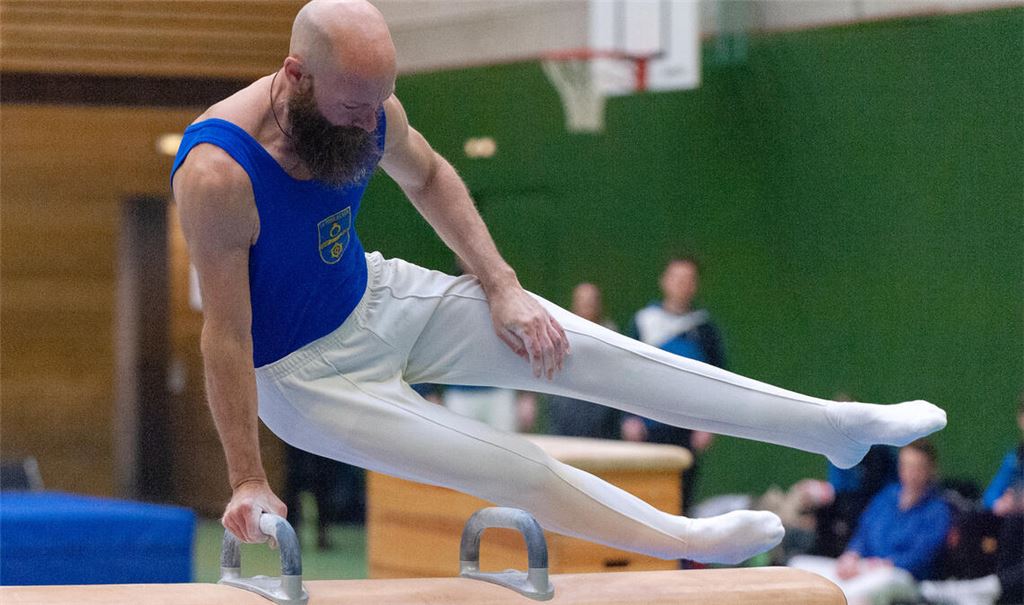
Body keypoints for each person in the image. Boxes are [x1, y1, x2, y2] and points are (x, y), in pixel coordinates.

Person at [170, 0, 947, 565]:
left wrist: (502, 285)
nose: (366, 123)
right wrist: (246, 477)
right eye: (350, 109)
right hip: (304, 377)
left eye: (376, 105)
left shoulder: (368, 106)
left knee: (586, 344)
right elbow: (227, 335)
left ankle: (830, 427)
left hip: (373, 294)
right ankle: (687, 542)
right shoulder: (218, 174)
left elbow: (433, 176)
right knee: (508, 462)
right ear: (296, 76)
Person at [789, 440, 953, 605]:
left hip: (898, 576)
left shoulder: (938, 510)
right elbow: (863, 532)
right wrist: (851, 556)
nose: (910, 473)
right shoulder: (886, 496)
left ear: (930, 469)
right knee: (798, 566)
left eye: (917, 467)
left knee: (881, 582)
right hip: (863, 569)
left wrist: (877, 565)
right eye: (905, 465)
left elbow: (920, 556)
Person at [621, 257, 722, 512]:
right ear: (664, 281)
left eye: (688, 280)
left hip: (686, 427)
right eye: (677, 279)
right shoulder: (643, 322)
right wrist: (628, 417)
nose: (682, 285)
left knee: (681, 499)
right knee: (644, 497)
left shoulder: (704, 329)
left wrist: (708, 424)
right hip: (647, 427)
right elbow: (624, 372)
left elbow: (719, 380)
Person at [919, 398, 1024, 605]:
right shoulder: (1017, 455)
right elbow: (992, 495)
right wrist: (999, 504)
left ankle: (995, 588)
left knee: (1016, 524)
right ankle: (970, 587)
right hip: (1012, 517)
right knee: (971, 521)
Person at [547, 283, 623, 439]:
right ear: (574, 303)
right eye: (582, 300)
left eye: (591, 300)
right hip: (567, 404)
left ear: (599, 304)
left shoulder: (611, 336)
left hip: (601, 407)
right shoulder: (560, 333)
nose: (587, 304)